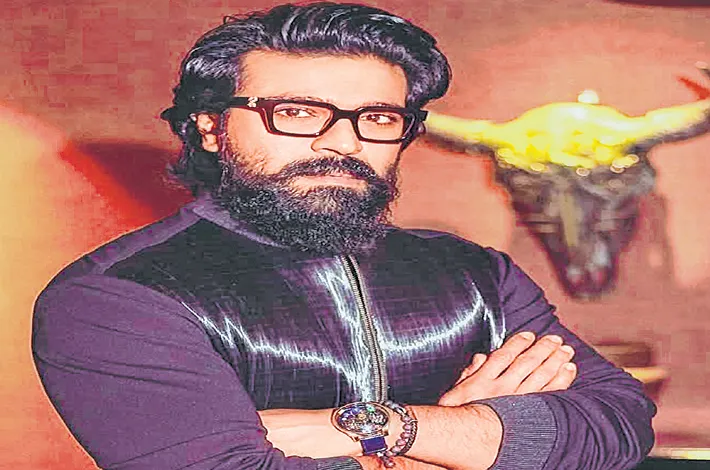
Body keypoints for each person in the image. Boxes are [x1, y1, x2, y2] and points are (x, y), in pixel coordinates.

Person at [32, 3, 655, 469]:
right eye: (295, 112)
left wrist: (383, 427)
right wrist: (463, 437)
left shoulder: (475, 273)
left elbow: (620, 425)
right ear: (210, 129)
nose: (343, 142)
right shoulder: (118, 297)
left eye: (378, 118)